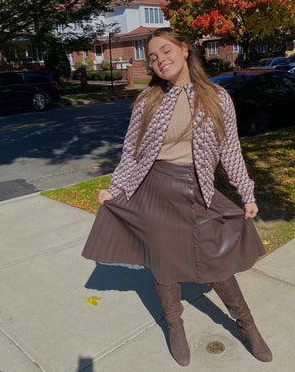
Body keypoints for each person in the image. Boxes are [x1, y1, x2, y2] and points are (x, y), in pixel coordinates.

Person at [82, 28, 272, 366]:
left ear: (185, 50)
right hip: (155, 191)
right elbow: (132, 152)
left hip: (199, 189)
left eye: (165, 51)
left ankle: (248, 326)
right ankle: (176, 328)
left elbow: (230, 150)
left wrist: (246, 192)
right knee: (164, 265)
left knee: (216, 263)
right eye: (153, 57)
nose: (159, 61)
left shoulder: (217, 97)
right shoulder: (147, 101)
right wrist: (115, 188)